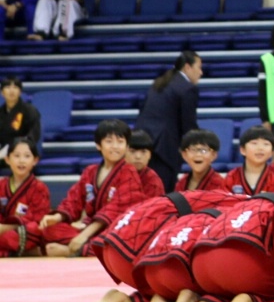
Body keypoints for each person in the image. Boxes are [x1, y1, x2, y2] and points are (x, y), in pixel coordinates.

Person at [37, 119, 142, 256]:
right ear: (99, 145)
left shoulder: (129, 173)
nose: (115, 146)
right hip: (91, 229)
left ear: (127, 146)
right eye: (109, 141)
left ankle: (72, 250)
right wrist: (57, 217)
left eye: (120, 142)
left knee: (121, 241)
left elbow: (115, 210)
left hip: (115, 229)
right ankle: (83, 248)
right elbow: (74, 200)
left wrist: (84, 236)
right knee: (49, 230)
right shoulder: (90, 171)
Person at [132, 51, 202, 191]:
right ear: (188, 67)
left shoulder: (161, 82)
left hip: (144, 142)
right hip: (164, 147)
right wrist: (199, 145)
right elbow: (188, 126)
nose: (201, 72)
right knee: (163, 191)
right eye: (199, 67)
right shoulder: (187, 88)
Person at [0, 137, 50, 256]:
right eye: (16, 156)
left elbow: (38, 220)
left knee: (35, 230)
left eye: (27, 156)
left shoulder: (39, 188)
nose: (21, 161)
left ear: (35, 160)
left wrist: (5, 228)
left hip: (24, 233)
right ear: (7, 159)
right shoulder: (1, 185)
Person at [224, 124, 274, 195]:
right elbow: (224, 201)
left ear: (271, 152)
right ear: (243, 150)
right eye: (254, 143)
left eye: (266, 144)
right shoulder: (232, 176)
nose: (260, 148)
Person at [0, 76, 41, 161]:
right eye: (7, 87)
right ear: (2, 92)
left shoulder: (30, 111)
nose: (11, 91)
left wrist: (14, 148)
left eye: (15, 87)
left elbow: (33, 135)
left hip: (23, 153)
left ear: (20, 92)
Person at [126, 130, 166, 200]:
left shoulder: (153, 182)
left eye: (143, 152)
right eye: (132, 151)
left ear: (150, 155)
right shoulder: (116, 174)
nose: (138, 156)